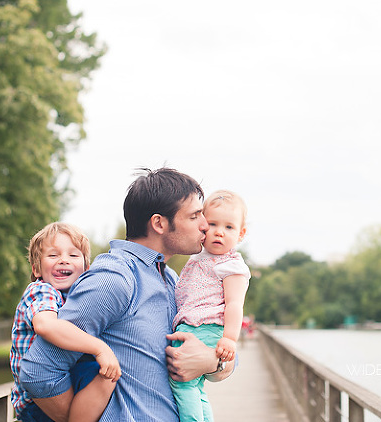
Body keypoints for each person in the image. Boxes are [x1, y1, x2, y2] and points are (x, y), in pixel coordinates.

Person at [19, 168, 234, 422]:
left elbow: (225, 361)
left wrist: (212, 361)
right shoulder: (115, 278)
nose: (205, 225)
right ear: (159, 223)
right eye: (195, 215)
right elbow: (39, 371)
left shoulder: (173, 281)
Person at [10, 222, 121, 422]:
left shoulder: (76, 298)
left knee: (107, 374)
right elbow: (46, 325)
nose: (63, 260)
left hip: (62, 381)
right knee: (105, 376)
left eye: (73, 255)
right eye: (53, 255)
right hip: (36, 401)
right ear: (36, 269)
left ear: (87, 268)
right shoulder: (41, 291)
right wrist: (100, 349)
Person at [169, 190, 251, 422]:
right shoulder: (199, 256)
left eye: (229, 227)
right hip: (193, 326)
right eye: (212, 224)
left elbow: (235, 305)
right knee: (195, 387)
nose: (219, 232)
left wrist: (229, 338)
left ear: (241, 234)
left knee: (182, 383)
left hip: (206, 327)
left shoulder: (231, 265)